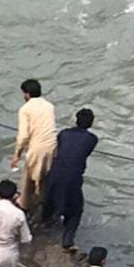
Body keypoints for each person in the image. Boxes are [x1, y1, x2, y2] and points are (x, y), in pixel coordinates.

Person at [42, 108, 98, 252]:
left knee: (49, 202)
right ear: (91, 123)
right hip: (72, 178)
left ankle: (45, 223)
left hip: (53, 175)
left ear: (76, 120)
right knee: (75, 210)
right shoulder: (92, 139)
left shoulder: (63, 134)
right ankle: (67, 241)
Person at [10, 79, 57, 213]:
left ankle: (24, 205)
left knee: (27, 178)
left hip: (37, 148)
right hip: (52, 147)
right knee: (44, 178)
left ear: (27, 94)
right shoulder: (49, 106)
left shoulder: (25, 109)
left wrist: (16, 155)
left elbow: (23, 136)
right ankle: (43, 201)